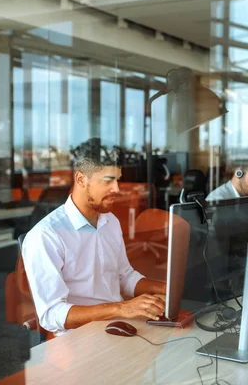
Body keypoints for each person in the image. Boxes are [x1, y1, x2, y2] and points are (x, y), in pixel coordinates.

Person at [23, 139, 166, 336]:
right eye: (108, 181)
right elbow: (51, 314)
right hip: (79, 338)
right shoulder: (46, 235)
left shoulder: (110, 221)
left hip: (119, 324)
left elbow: (124, 276)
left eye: (118, 180)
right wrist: (122, 308)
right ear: (81, 179)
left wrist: (166, 288)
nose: (117, 189)